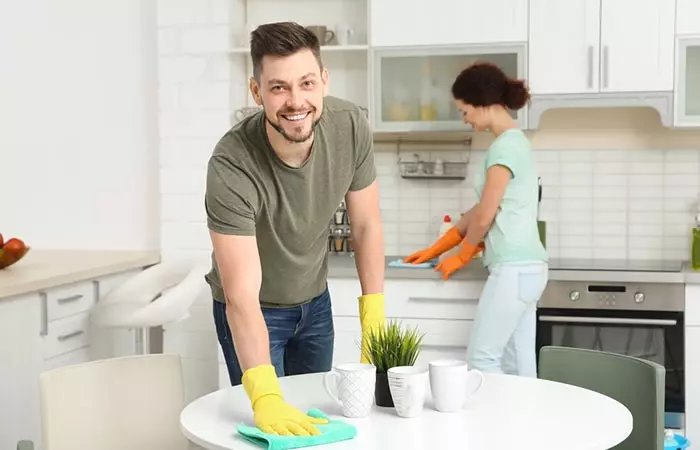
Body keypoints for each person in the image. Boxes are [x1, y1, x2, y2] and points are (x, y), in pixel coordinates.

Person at [204, 21, 386, 436]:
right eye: (278, 87)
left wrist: (373, 314)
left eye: (306, 83)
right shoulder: (232, 164)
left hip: (316, 305)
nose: (295, 101)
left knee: (316, 423)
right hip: (255, 310)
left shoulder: (350, 125)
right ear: (256, 92)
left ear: (323, 80)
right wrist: (266, 397)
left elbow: (365, 223)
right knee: (271, 430)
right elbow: (240, 295)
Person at [404, 62, 548, 378]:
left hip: (512, 268)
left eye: (464, 110)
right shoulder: (516, 142)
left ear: (482, 103)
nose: (465, 118)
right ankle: (525, 425)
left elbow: (485, 215)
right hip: (529, 269)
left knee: (483, 358)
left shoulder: (504, 147)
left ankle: (494, 426)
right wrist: (439, 247)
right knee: (519, 361)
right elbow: (479, 210)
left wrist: (463, 255)